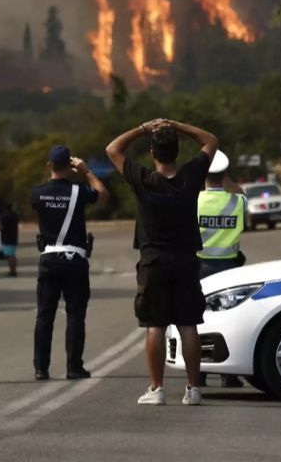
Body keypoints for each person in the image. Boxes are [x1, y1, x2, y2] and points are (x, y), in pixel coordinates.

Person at [106, 118, 218, 406]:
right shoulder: (190, 176)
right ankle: (193, 389)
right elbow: (211, 141)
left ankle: (156, 389)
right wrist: (179, 126)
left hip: (153, 259)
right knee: (188, 325)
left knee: (155, 325)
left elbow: (113, 148)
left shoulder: (144, 179)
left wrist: (143, 129)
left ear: (153, 154)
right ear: (177, 152)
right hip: (185, 259)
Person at [31, 145, 109, 381]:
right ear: (70, 167)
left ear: (49, 165)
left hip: (49, 258)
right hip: (74, 259)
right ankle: (74, 367)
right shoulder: (79, 190)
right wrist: (87, 171)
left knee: (45, 315)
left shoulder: (37, 193)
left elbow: (39, 206)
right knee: (75, 314)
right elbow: (103, 195)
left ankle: (41, 368)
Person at [196, 149, 247, 388]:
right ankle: (228, 374)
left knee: (197, 319)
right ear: (225, 173)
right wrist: (227, 179)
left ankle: (199, 373)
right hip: (229, 266)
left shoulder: (194, 200)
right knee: (229, 317)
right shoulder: (237, 201)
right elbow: (242, 194)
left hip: (199, 268)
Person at [0, 203, 20, 277]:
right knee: (13, 255)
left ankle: (12, 271)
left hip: (7, 238)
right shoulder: (15, 215)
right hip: (14, 237)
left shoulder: (4, 216)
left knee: (9, 256)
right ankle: (14, 270)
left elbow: (1, 226)